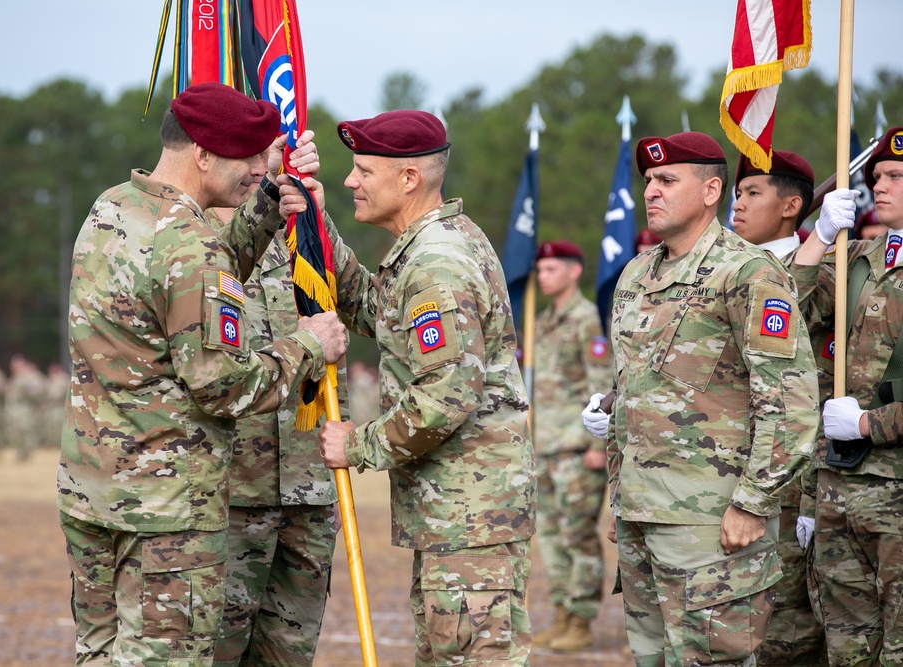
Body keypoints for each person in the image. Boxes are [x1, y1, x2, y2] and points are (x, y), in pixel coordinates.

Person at [57, 82, 347, 667]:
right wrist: (307, 346)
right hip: (166, 508)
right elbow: (224, 387)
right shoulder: (191, 242)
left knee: (101, 653)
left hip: (93, 490)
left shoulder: (112, 208)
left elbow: (187, 283)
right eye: (248, 157)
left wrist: (267, 198)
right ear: (203, 155)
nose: (258, 167)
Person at [582, 131, 819, 665]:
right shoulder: (637, 273)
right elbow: (649, 381)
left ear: (712, 190)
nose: (652, 191)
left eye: (668, 180)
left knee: (716, 658)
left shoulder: (748, 271)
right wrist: (612, 408)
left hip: (714, 523)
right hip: (641, 510)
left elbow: (790, 400)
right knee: (653, 657)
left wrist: (753, 502)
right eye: (649, 181)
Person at [316, 110, 536, 665]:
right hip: (457, 514)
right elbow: (377, 311)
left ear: (409, 178)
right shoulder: (430, 243)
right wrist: (319, 229)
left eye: (363, 170)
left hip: (469, 516)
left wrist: (358, 444)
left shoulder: (437, 261)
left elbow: (447, 395)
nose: (350, 181)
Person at [208, 204, 353, 666]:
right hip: (231, 491)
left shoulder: (304, 238)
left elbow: (372, 308)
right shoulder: (200, 240)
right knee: (213, 650)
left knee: (288, 656)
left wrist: (316, 213)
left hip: (307, 488)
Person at [790, 125, 903, 664]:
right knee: (846, 647)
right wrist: (817, 238)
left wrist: (867, 426)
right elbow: (788, 312)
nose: (878, 187)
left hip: (896, 485)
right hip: (839, 482)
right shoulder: (856, 255)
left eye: (896, 176)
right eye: (876, 176)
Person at [732, 150, 827, 666]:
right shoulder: (724, 267)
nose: (737, 204)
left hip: (797, 474)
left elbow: (801, 312)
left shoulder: (826, 263)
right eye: (737, 192)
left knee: (790, 628)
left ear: (792, 205)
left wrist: (822, 241)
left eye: (752, 193)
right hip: (732, 468)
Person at [530, 240, 612, 652]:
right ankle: (562, 611)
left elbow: (600, 384)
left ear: (573, 271)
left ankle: (580, 618)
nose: (542, 276)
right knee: (550, 537)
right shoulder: (543, 320)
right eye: (540, 270)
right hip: (545, 445)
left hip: (579, 447)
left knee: (578, 536)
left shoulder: (586, 320)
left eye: (551, 269)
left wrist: (598, 444)